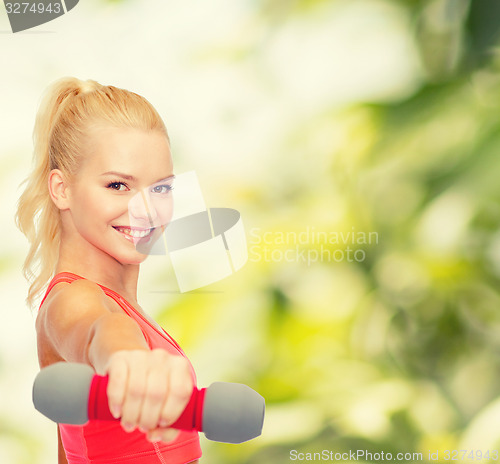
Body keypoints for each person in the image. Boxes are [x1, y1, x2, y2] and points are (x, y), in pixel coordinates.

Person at [15, 77, 202, 464]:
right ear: (61, 189)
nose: (146, 210)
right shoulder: (73, 299)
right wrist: (126, 360)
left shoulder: (122, 305)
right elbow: (100, 330)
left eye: (161, 189)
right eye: (118, 185)